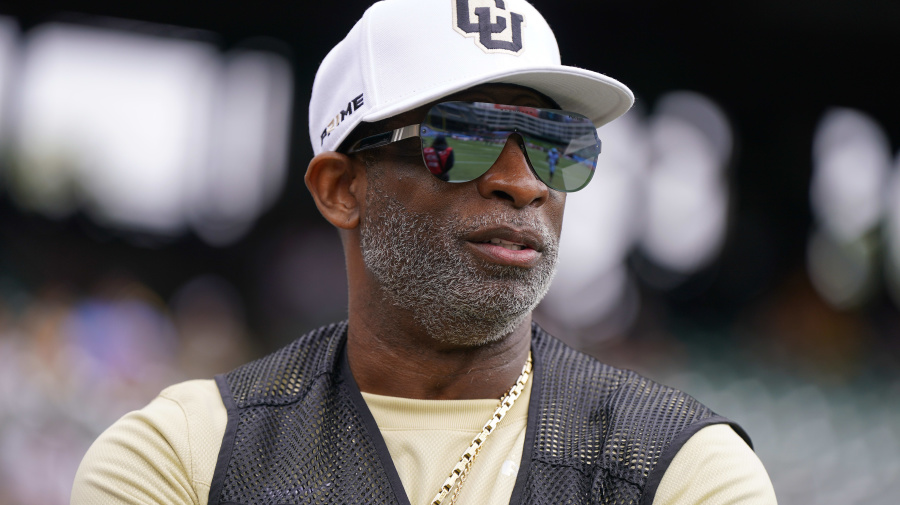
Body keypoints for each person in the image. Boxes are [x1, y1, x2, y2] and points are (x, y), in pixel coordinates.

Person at [72, 1, 777, 504]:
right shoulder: (181, 457)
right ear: (342, 188)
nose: (522, 181)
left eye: (555, 147)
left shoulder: (684, 470)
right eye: (464, 138)